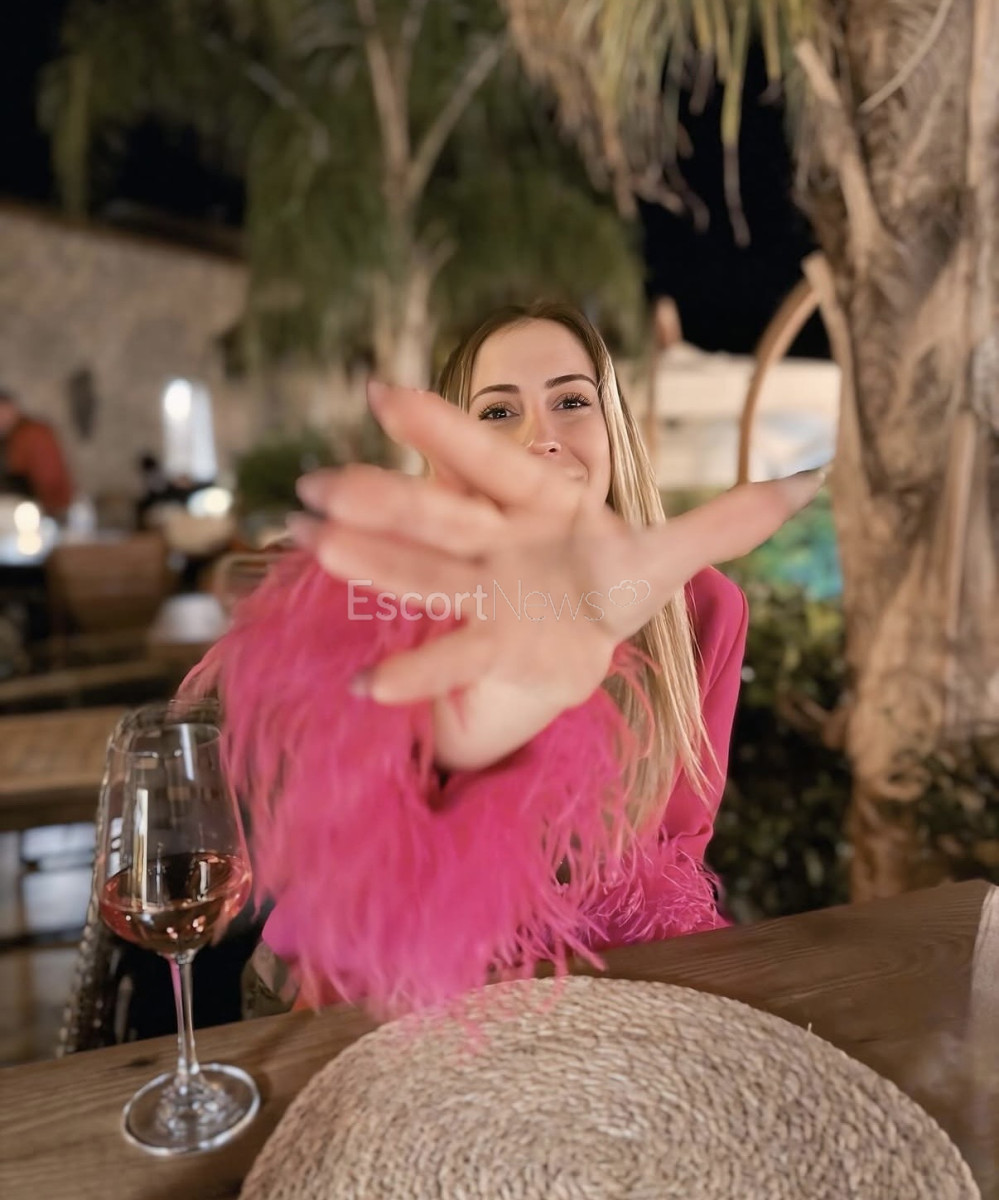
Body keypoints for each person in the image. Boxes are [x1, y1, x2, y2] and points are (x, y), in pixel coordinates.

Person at [183, 301, 825, 1019]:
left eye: (571, 401)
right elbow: (341, 851)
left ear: (613, 425)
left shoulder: (704, 606)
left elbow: (681, 840)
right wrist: (477, 744)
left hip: (599, 985)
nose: (539, 437)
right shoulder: (379, 600)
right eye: (497, 412)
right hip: (364, 992)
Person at [0, 387, 74, 519]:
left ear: (11, 409)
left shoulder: (33, 435)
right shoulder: (11, 437)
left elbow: (49, 480)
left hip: (42, 510)